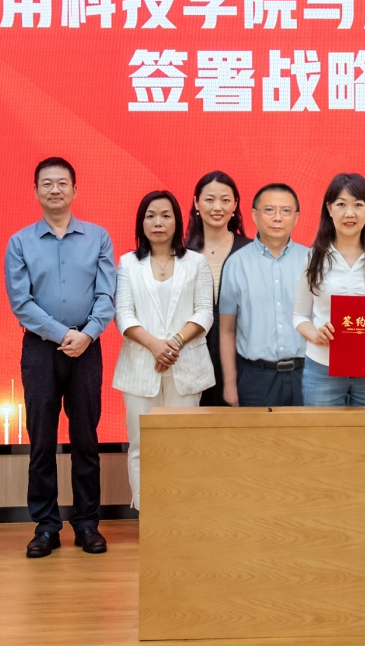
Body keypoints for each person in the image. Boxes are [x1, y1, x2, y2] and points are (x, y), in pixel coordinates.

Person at [5, 157, 116, 558]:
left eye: (62, 183)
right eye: (47, 183)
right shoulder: (20, 242)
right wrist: (61, 333)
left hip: (87, 347)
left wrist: (87, 334)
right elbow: (21, 303)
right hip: (40, 349)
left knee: (86, 439)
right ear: (36, 191)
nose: (55, 189)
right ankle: (46, 526)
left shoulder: (98, 237)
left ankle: (87, 524)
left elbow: (107, 294)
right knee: (42, 441)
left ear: (75, 190)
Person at [113, 190, 214, 510]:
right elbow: (123, 314)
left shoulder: (196, 262)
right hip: (141, 366)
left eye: (166, 215)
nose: (158, 222)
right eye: (151, 216)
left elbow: (204, 312)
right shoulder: (128, 263)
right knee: (141, 445)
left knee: (182, 444)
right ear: (141, 222)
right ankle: (149, 514)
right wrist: (155, 345)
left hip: (186, 366)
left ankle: (180, 513)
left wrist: (175, 343)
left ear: (177, 221)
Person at [294, 173, 365, 406]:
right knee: (323, 431)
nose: (349, 213)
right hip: (322, 370)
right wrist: (315, 334)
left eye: (358, 205)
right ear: (329, 208)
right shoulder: (314, 257)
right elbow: (299, 316)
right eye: (341, 204)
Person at [218, 184, 312, 407]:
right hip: (255, 378)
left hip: (306, 375)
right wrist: (230, 383)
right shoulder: (236, 264)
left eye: (286, 211)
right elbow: (227, 329)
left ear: (296, 217)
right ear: (254, 214)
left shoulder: (312, 261)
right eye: (269, 210)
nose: (277, 217)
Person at [185, 171, 251, 407]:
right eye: (209, 199)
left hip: (240, 360)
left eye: (225, 200)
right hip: (190, 358)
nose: (217, 207)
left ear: (235, 204)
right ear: (196, 203)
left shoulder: (252, 252)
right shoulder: (181, 253)